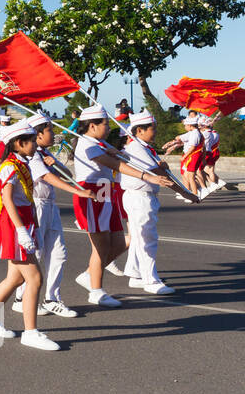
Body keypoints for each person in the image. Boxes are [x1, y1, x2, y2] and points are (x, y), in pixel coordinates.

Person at [70, 105, 175, 306]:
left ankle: (89, 275)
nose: (109, 128)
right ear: (92, 126)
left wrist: (115, 151)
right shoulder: (87, 145)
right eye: (106, 124)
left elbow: (123, 158)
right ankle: (96, 291)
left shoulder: (98, 143)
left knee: (118, 243)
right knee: (100, 248)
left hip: (106, 195)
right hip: (93, 197)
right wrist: (147, 176)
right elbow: (117, 165)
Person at [0, 123, 60, 350]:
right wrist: (21, 231)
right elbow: (8, 199)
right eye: (32, 139)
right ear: (19, 143)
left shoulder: (22, 163)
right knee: (34, 278)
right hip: (15, 224)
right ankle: (30, 332)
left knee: (16, 278)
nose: (35, 142)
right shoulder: (9, 167)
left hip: (24, 221)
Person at [13, 113, 95, 318]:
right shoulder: (31, 155)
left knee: (59, 253)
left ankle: (52, 298)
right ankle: (20, 298)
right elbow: (46, 177)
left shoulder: (43, 153)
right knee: (37, 254)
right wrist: (78, 191)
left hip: (50, 205)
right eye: (49, 130)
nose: (53, 133)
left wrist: (55, 163)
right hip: (38, 206)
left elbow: (63, 173)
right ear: (38, 135)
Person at [117, 110, 183, 294]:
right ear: (139, 130)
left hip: (143, 197)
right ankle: (151, 280)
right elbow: (159, 174)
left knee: (140, 238)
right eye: (152, 128)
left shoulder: (144, 147)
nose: (155, 131)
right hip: (139, 197)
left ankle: (135, 274)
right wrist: (186, 193)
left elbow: (159, 169)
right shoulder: (137, 148)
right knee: (147, 239)